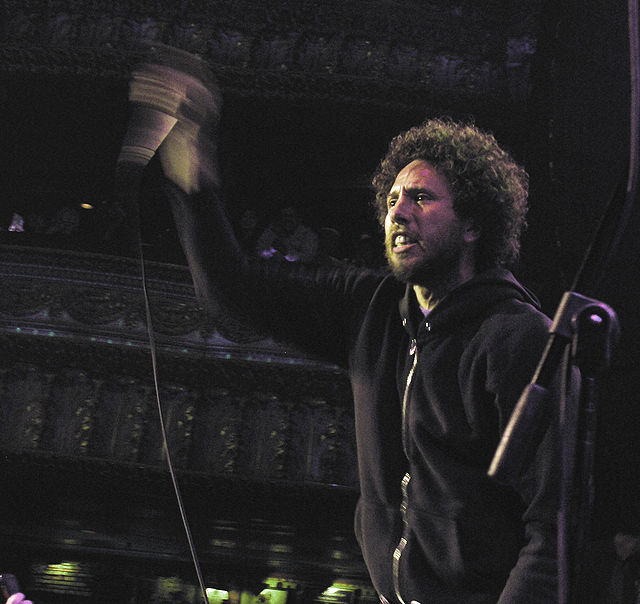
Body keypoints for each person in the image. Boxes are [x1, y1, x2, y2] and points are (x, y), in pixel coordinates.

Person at [124, 53, 568, 603]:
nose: (398, 212)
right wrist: (189, 152)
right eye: (393, 198)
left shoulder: (518, 338)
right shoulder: (372, 309)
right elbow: (234, 294)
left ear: (475, 223)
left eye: (422, 197)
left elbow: (553, 529)